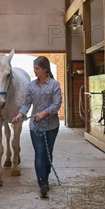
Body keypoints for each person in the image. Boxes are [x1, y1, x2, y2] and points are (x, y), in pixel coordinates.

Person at [12, 56, 62, 198]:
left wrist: (44, 113)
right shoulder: (31, 86)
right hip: (35, 127)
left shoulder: (54, 85)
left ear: (45, 69)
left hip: (51, 126)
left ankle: (45, 177)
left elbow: (57, 104)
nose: (34, 71)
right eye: (34, 68)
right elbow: (26, 103)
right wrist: (20, 114)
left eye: (37, 69)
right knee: (39, 153)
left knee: (48, 154)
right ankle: (42, 182)